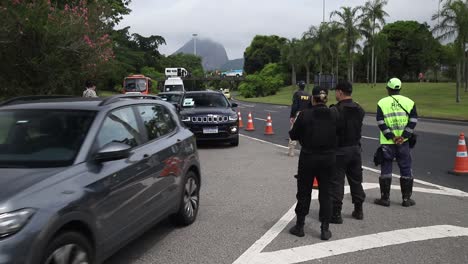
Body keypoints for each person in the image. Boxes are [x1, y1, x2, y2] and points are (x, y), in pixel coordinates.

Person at [289, 86, 338, 241]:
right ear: (326, 99)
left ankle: (300, 226)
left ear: (313, 98)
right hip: (328, 158)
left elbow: (294, 134)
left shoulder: (305, 115)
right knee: (326, 193)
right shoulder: (334, 114)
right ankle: (324, 228)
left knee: (304, 191)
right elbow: (341, 135)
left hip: (308, 156)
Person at [375, 78, 418, 207]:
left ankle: (385, 199)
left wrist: (391, 136)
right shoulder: (409, 102)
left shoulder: (382, 102)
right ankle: (406, 199)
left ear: (388, 89)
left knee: (386, 167)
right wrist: (403, 136)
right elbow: (413, 121)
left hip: (387, 142)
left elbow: (380, 122)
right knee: (405, 168)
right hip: (403, 142)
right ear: (399, 89)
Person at [330, 81, 366, 224]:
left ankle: (336, 214)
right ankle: (359, 209)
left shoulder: (335, 110)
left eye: (336, 92)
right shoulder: (359, 109)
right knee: (356, 181)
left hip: (340, 150)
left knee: (337, 182)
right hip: (355, 149)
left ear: (340, 92)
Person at [288, 81, 311, 157]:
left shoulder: (297, 94)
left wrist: (292, 116)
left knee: (294, 131)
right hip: (307, 114)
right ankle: (305, 150)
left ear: (299, 86)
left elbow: (295, 105)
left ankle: (291, 151)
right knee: (305, 132)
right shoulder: (309, 95)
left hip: (299, 113)